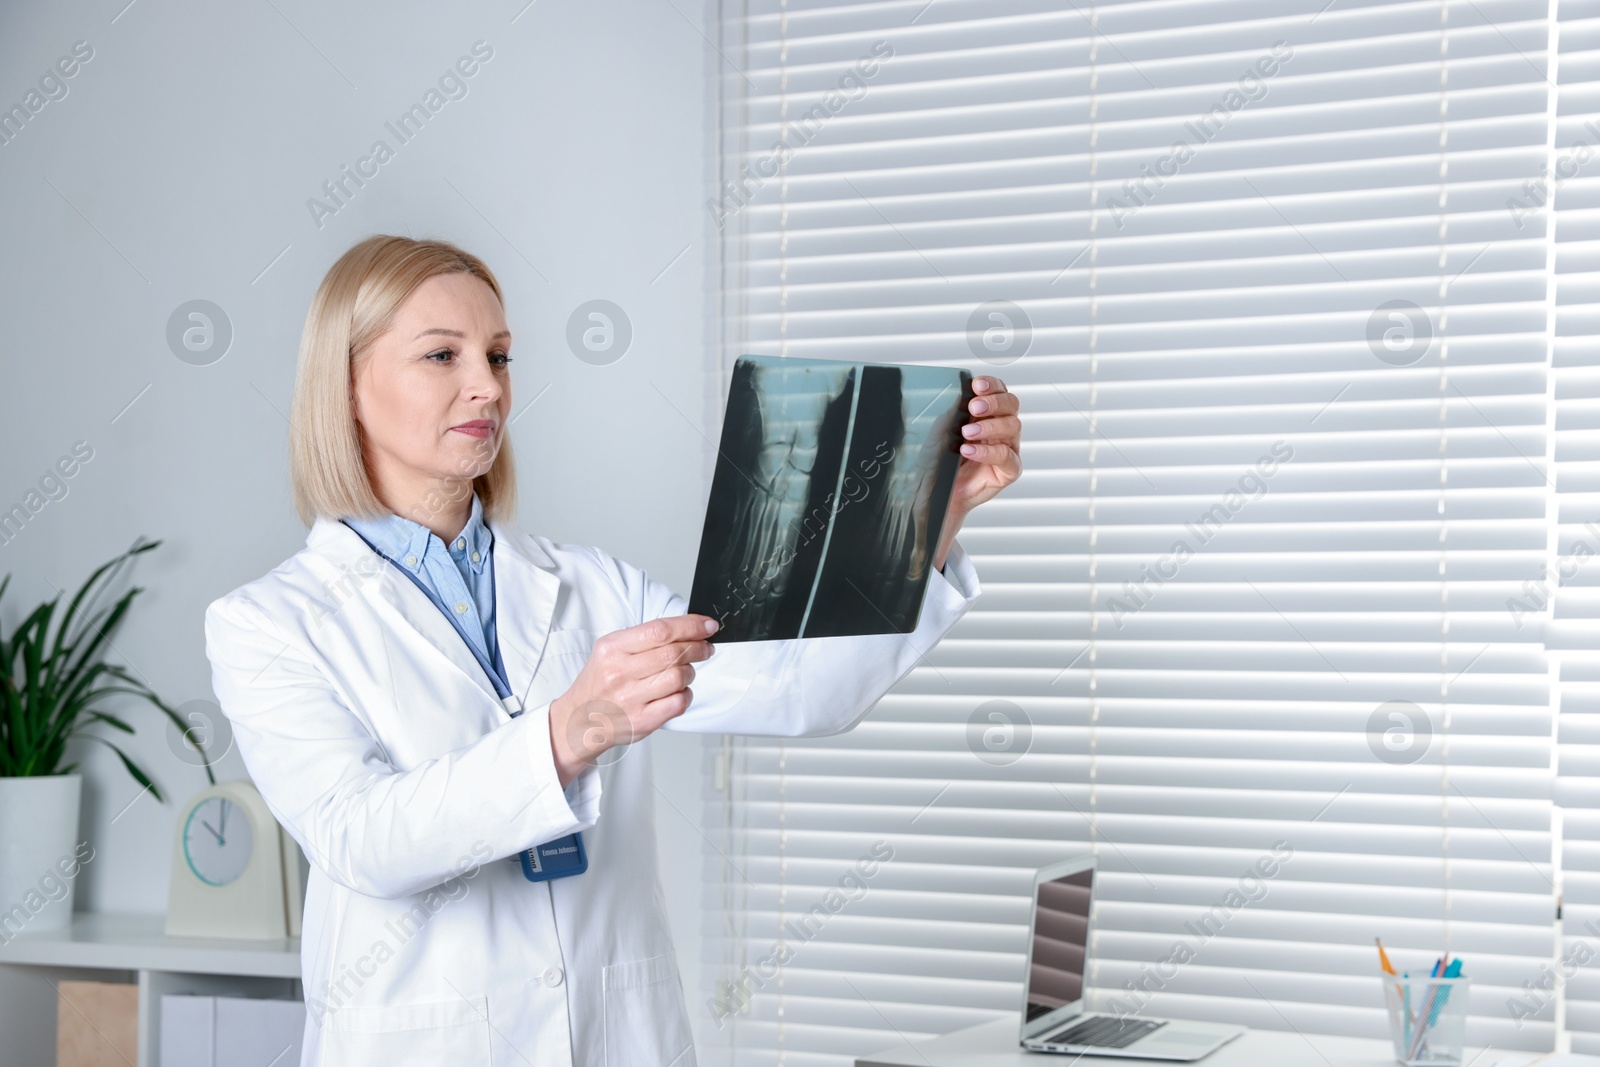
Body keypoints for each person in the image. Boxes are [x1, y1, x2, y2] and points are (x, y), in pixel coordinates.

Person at [204, 235, 1022, 1066]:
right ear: (345, 384)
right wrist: (566, 734)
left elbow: (796, 690)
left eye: (498, 354)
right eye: (441, 355)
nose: (487, 385)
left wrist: (930, 522)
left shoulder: (593, 585)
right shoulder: (268, 622)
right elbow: (360, 840)